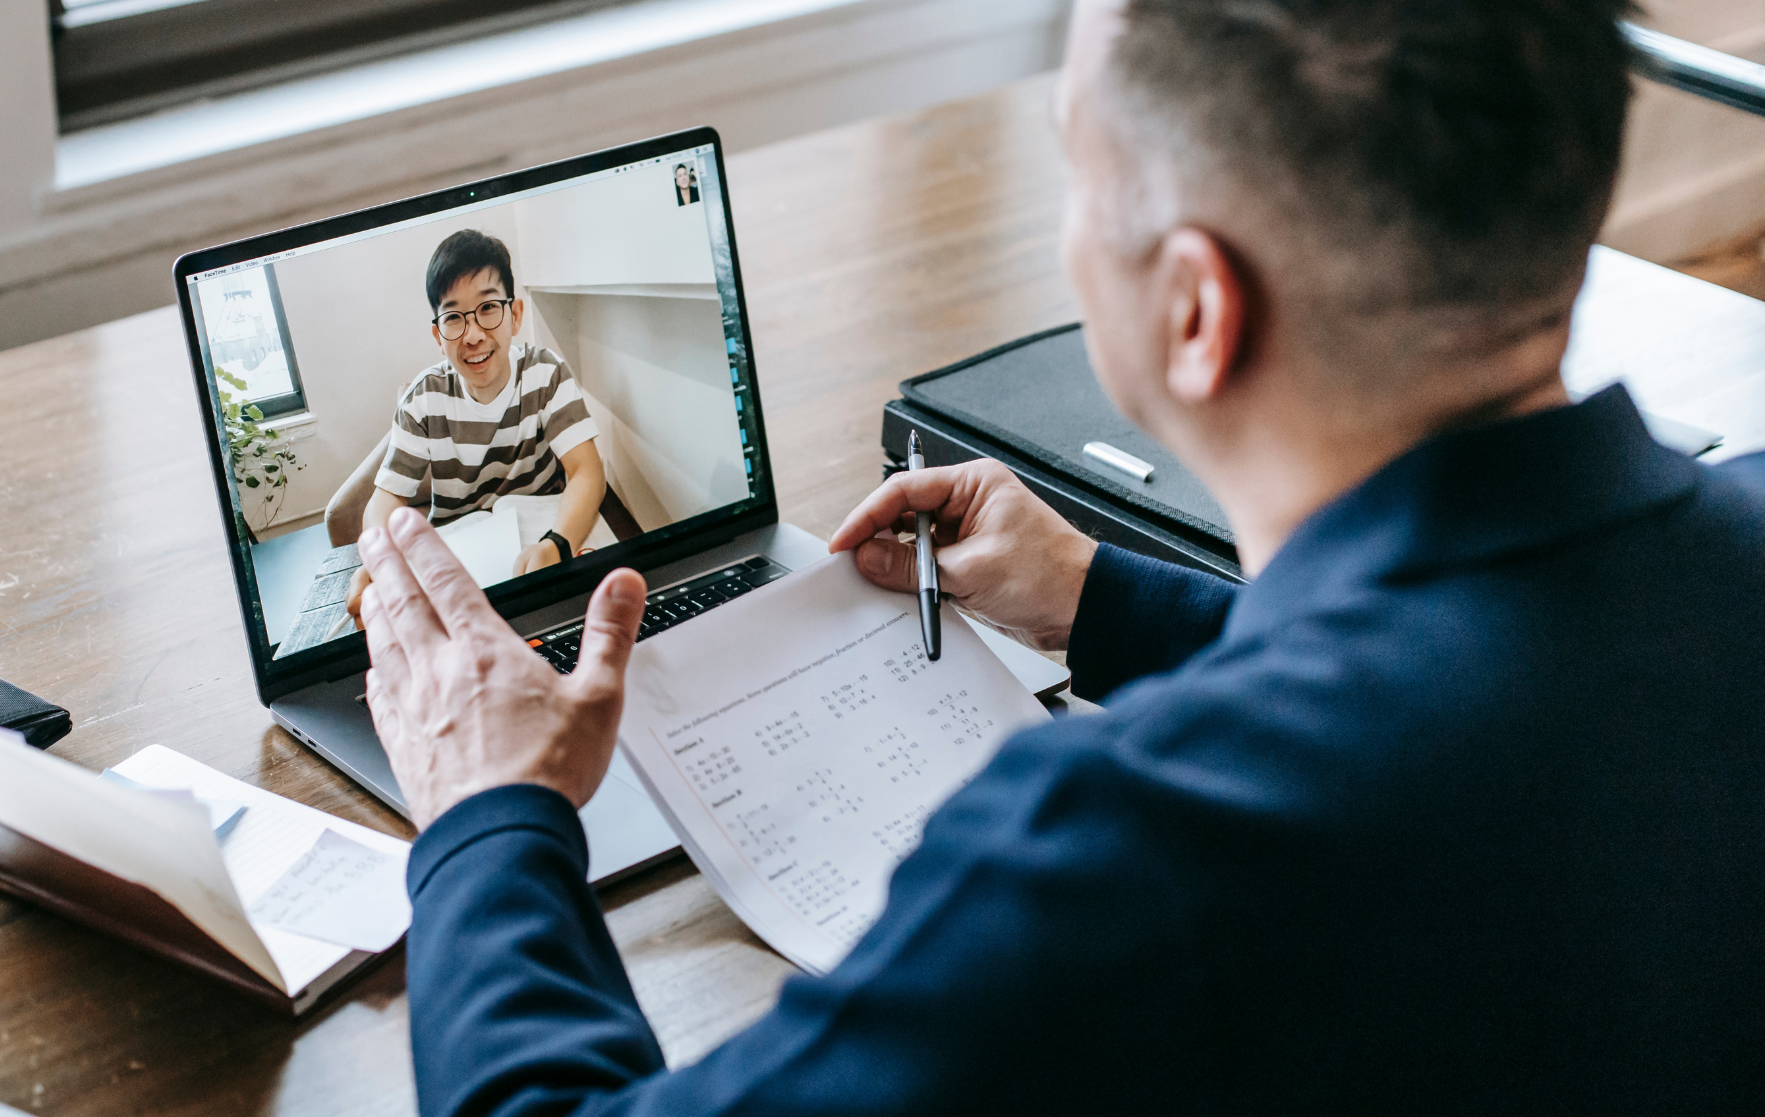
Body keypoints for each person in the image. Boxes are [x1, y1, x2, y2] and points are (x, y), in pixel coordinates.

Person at [355, 0, 1765, 1111]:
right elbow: (1497, 679)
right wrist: (1105, 603)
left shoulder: (1129, 860)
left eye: (1077, 166)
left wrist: (487, 811)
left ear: (1195, 309)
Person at [346, 229, 605, 618]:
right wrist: (380, 557)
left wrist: (558, 544)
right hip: (460, 572)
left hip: (542, 554)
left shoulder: (545, 373)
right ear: (438, 334)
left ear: (515, 315)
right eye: (453, 317)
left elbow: (587, 471)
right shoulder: (422, 399)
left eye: (488, 308)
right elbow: (387, 498)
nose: (473, 335)